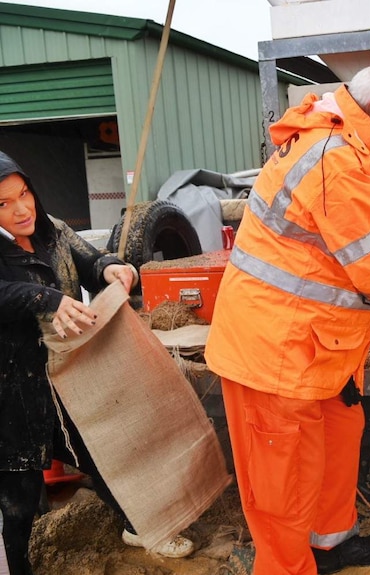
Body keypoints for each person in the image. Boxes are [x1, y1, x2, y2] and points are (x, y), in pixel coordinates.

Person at [205, 64, 370, 575]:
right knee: (282, 486)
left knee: (336, 440)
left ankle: (331, 545)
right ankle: (288, 567)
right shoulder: (335, 159)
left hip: (316, 346)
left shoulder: (348, 139)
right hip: (275, 353)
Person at [0, 151, 195, 575]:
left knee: (101, 455)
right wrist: (46, 298)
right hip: (13, 392)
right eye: (3, 203)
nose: (21, 209)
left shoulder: (54, 233)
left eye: (24, 193)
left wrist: (112, 269)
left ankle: (136, 525)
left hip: (66, 378)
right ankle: (18, 566)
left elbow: (90, 262)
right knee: (17, 499)